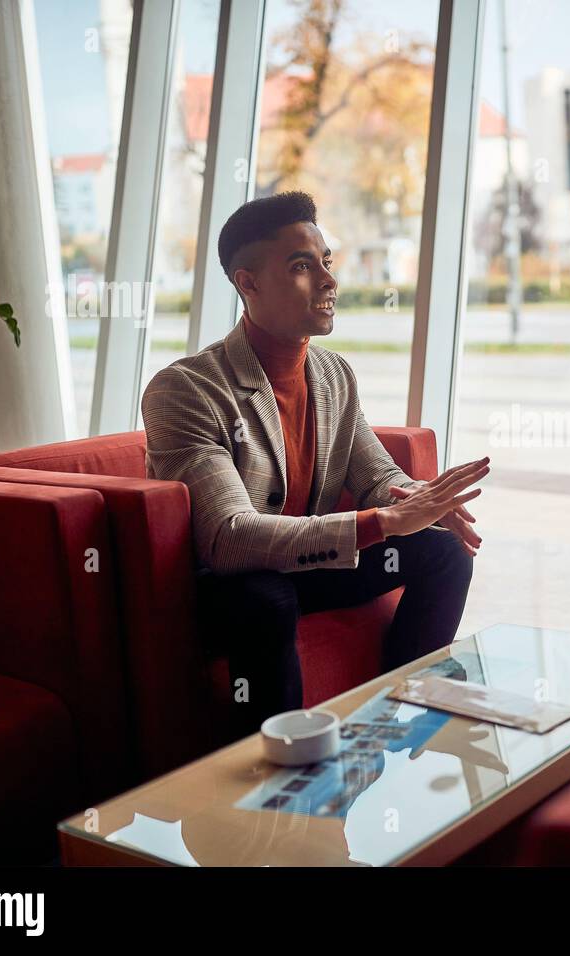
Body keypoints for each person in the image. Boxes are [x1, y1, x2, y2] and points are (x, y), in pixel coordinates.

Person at [142, 192, 489, 736]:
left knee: (444, 554)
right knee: (266, 599)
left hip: (310, 565)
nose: (329, 281)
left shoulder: (332, 375)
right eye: (302, 266)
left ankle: (396, 720)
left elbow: (377, 478)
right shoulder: (186, 389)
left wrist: (419, 502)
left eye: (326, 262)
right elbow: (229, 538)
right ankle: (276, 779)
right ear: (247, 283)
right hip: (231, 586)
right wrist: (379, 523)